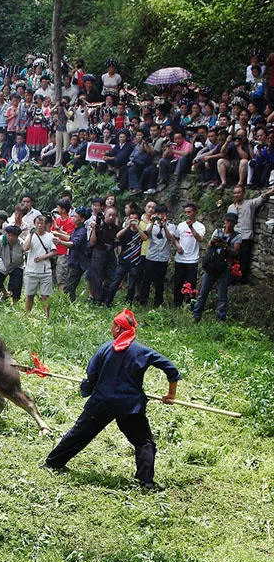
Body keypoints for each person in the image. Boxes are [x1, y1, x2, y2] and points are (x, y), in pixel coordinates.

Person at [44, 309, 181, 489]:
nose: (111, 328)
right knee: (143, 442)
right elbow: (171, 369)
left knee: (79, 434)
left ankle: (53, 463)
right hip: (130, 407)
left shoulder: (105, 349)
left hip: (101, 403)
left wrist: (86, 389)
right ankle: (145, 482)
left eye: (113, 325)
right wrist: (171, 394)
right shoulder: (144, 352)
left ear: (118, 328)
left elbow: (91, 375)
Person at [192, 213, 241, 323]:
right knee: (203, 292)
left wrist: (225, 246)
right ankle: (196, 315)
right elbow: (208, 246)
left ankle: (221, 318)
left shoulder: (237, 236)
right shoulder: (217, 231)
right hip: (212, 265)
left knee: (222, 295)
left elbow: (235, 252)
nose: (229, 224)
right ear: (224, 221)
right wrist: (214, 242)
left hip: (224, 267)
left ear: (235, 223)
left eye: (231, 222)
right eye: (228, 221)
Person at [227, 185, 274, 284]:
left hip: (245, 237)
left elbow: (262, 197)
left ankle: (242, 279)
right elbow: (228, 223)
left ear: (243, 193)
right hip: (233, 237)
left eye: (238, 192)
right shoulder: (231, 207)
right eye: (234, 193)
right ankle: (232, 279)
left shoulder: (250, 204)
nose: (236, 195)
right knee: (233, 259)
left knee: (244, 260)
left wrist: (270, 191)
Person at [103, 211, 148, 308]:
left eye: (135, 219)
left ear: (139, 220)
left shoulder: (140, 232)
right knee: (115, 282)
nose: (133, 222)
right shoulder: (125, 231)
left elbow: (145, 238)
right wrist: (127, 226)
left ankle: (128, 304)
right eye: (131, 219)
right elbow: (117, 236)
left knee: (131, 285)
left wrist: (138, 227)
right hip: (123, 262)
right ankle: (108, 302)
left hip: (135, 262)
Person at [139, 204, 176, 307]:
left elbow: (170, 238)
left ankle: (158, 302)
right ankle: (143, 301)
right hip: (151, 256)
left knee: (160, 282)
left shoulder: (171, 226)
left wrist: (164, 226)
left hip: (163, 258)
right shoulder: (151, 225)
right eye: (157, 213)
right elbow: (146, 236)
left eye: (161, 213)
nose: (159, 216)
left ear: (166, 214)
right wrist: (152, 222)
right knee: (146, 280)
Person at [22, 214, 57, 319]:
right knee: (29, 295)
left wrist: (43, 257)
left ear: (46, 224)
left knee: (45, 296)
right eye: (38, 223)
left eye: (42, 223)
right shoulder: (30, 236)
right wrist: (31, 235)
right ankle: (27, 316)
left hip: (45, 271)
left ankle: (47, 317)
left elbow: (54, 252)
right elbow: (25, 248)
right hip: (31, 270)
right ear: (35, 224)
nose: (40, 225)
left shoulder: (50, 236)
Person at [173, 202, 205, 306]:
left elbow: (200, 239)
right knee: (178, 283)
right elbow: (175, 239)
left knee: (191, 285)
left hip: (192, 259)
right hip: (180, 259)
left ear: (195, 212)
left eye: (189, 212)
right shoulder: (181, 225)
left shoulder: (200, 226)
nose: (187, 214)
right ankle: (177, 304)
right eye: (186, 212)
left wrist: (191, 227)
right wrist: (177, 246)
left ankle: (190, 305)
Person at [55, 206, 90, 303]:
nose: (73, 218)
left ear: (82, 219)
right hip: (73, 261)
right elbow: (70, 238)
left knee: (69, 288)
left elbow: (73, 244)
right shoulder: (77, 229)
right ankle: (70, 305)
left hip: (77, 263)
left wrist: (60, 242)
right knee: (69, 287)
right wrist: (58, 234)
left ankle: (70, 306)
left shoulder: (82, 231)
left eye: (75, 216)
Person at [89, 206, 119, 304]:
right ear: (105, 215)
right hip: (98, 252)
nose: (111, 217)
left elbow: (118, 241)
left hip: (110, 253)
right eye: (109, 215)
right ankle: (97, 299)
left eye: (113, 215)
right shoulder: (98, 226)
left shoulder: (116, 228)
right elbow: (92, 243)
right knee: (97, 277)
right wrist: (94, 230)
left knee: (110, 276)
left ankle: (106, 299)